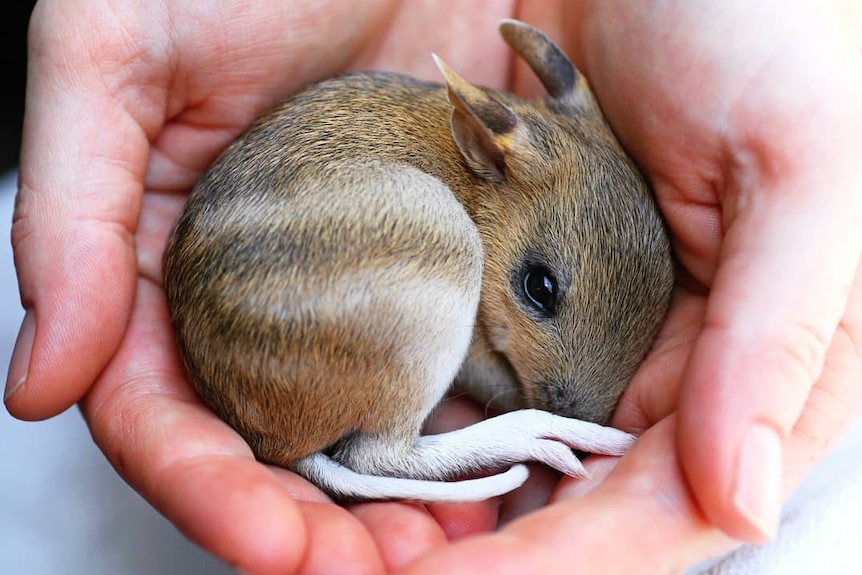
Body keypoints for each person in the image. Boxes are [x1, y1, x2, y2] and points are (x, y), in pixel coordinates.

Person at [5, 0, 861, 573]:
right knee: (436, 244)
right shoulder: (463, 197)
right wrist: (510, 426)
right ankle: (385, 452)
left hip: (290, 305)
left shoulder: (517, 190)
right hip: (281, 297)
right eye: (541, 290)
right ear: (485, 151)